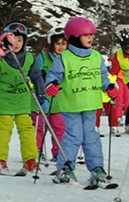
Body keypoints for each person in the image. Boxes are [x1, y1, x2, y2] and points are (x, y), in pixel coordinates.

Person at [41, 17, 113, 187]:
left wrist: (109, 86)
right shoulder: (64, 58)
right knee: (73, 136)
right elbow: (53, 76)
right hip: (71, 105)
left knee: (91, 137)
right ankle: (65, 168)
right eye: (85, 35)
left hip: (91, 103)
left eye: (91, 35)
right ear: (74, 36)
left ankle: (97, 168)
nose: (90, 38)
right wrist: (51, 85)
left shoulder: (96, 56)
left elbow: (103, 76)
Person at [0, 22, 41, 175]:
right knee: (4, 129)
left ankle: (31, 160)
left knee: (26, 129)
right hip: (4, 101)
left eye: (20, 40)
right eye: (13, 40)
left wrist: (42, 96)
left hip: (23, 101)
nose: (16, 43)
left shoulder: (30, 59)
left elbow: (37, 77)